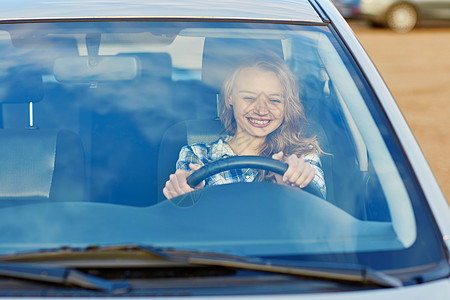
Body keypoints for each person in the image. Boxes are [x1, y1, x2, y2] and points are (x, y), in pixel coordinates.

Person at [163, 53, 326, 200]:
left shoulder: (301, 156)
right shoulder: (197, 155)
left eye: (274, 100)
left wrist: (293, 188)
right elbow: (185, 215)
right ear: (229, 98)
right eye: (249, 97)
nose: (262, 110)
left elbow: (318, 215)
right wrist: (184, 192)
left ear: (286, 105)